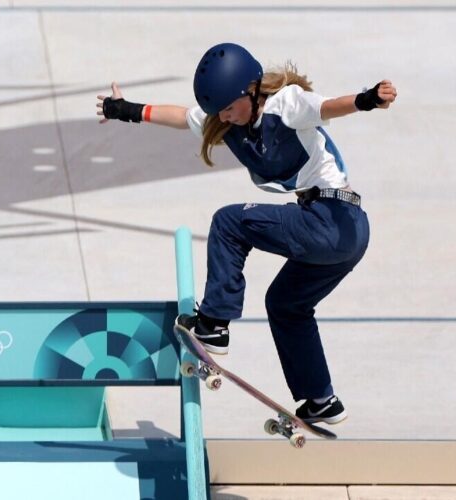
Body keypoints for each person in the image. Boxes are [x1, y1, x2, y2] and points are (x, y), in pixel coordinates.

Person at [96, 42, 397, 424]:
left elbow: (328, 106)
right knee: (286, 304)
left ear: (251, 90)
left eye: (229, 107)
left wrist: (367, 99)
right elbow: (179, 116)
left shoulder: (286, 104)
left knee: (228, 222)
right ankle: (321, 399)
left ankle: (215, 324)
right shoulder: (226, 121)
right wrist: (125, 110)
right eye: (218, 110)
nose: (225, 116)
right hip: (338, 232)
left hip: (333, 218)